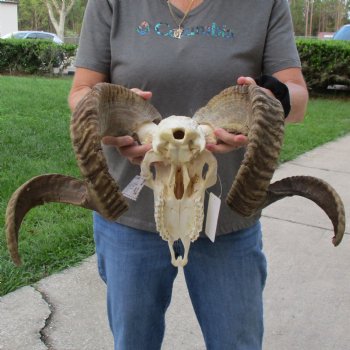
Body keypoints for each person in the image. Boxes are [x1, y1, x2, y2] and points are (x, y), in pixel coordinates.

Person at [69, 1, 308, 349]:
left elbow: (297, 98)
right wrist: (109, 118)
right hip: (130, 212)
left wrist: (267, 101)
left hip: (226, 213)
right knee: (133, 341)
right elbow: (80, 93)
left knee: (236, 341)